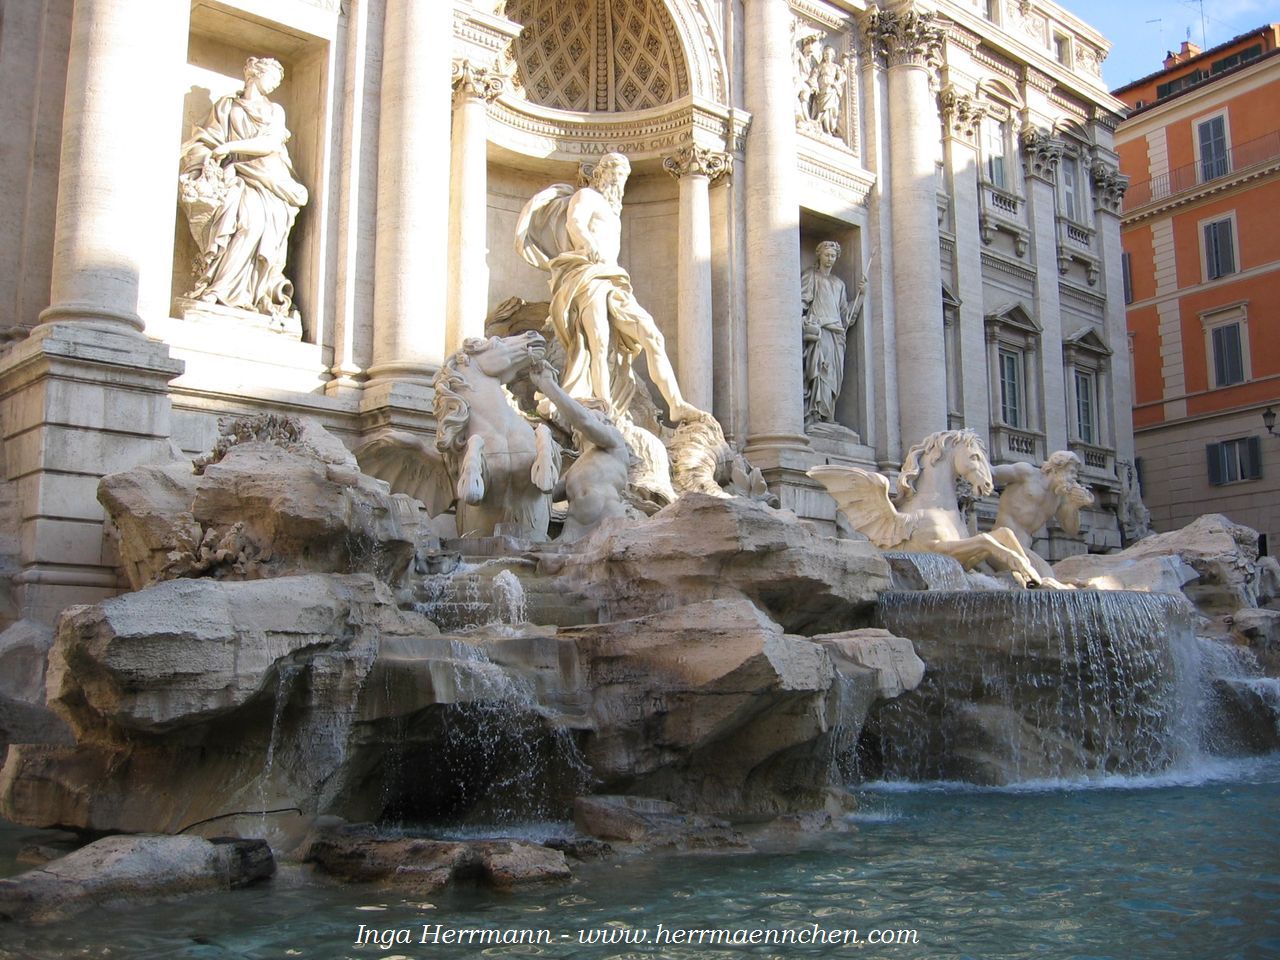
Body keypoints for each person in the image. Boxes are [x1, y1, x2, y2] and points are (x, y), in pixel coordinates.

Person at [515, 153, 699, 423]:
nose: (617, 182)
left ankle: (677, 404)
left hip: (613, 280)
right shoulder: (587, 196)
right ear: (600, 174)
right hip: (588, 275)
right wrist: (587, 243)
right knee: (598, 342)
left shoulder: (614, 212)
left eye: (621, 177)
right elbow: (574, 222)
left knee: (652, 334)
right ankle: (604, 407)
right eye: (614, 175)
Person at [179, 56, 308, 326]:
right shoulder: (226, 106)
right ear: (255, 74)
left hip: (267, 175)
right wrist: (208, 158)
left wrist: (228, 148)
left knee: (255, 224)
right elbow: (207, 138)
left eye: (279, 80)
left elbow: (270, 143)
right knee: (237, 219)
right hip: (236, 173)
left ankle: (233, 292)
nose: (275, 84)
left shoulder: (275, 110)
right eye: (272, 77)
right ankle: (219, 288)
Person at [528, 361, 632, 542]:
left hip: (607, 517)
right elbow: (546, 493)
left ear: (605, 422)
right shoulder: (576, 467)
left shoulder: (615, 443)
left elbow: (584, 422)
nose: (582, 419)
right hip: (573, 527)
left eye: (592, 414)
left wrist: (547, 385)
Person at [992, 451, 1095, 579]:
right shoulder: (1027, 473)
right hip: (1000, 543)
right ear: (1057, 468)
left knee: (1044, 576)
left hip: (1024, 549)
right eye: (1072, 472)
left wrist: (1074, 506)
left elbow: (1071, 530)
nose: (1075, 477)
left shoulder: (1059, 498)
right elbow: (992, 473)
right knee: (1045, 574)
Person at [800, 240, 864, 426]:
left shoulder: (839, 284)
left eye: (833, 256)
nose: (830, 259)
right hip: (821, 332)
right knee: (821, 372)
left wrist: (861, 296)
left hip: (837, 335)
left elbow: (846, 315)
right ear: (819, 255)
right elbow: (801, 302)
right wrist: (803, 323)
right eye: (827, 255)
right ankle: (815, 414)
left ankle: (829, 416)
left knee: (834, 376)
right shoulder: (811, 276)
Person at [808, 46, 846, 137]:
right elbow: (814, 76)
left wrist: (836, 83)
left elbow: (842, 77)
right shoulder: (820, 66)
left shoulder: (835, 67)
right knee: (822, 107)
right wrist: (815, 86)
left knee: (830, 108)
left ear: (832, 55)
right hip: (822, 88)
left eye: (828, 54)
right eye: (825, 54)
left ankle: (828, 128)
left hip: (831, 89)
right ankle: (822, 126)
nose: (826, 55)